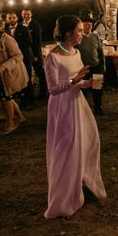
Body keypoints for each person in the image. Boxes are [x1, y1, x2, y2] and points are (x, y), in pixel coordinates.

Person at [44, 15, 107, 219]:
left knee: (89, 142)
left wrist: (85, 84)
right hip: (61, 108)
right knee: (67, 148)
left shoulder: (76, 52)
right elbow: (53, 89)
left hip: (77, 102)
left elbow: (75, 81)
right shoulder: (52, 57)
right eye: (80, 30)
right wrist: (74, 80)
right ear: (69, 32)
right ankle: (63, 198)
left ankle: (81, 183)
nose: (83, 33)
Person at [0, 20, 28, 135]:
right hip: (0, 74)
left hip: (8, 74)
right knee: (7, 97)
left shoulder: (7, 39)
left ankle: (10, 124)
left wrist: (4, 66)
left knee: (6, 98)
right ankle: (21, 117)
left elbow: (19, 56)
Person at [75, 15, 105, 116]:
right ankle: (83, 109)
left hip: (96, 66)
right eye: (86, 25)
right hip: (83, 68)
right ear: (82, 25)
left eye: (90, 25)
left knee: (97, 88)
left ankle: (98, 107)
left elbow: (100, 52)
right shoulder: (78, 38)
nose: (89, 27)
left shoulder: (95, 36)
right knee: (83, 90)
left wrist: (102, 66)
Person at [6, 11, 34, 108]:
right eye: (9, 18)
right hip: (12, 59)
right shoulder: (5, 31)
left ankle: (29, 100)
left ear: (17, 18)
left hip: (24, 57)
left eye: (13, 17)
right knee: (17, 78)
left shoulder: (24, 29)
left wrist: (17, 48)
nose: (12, 20)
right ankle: (20, 100)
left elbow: (29, 42)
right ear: (7, 19)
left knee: (27, 78)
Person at [22, 8, 47, 100]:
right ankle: (30, 96)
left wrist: (37, 55)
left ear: (31, 15)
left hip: (35, 54)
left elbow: (38, 41)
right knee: (27, 76)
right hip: (25, 54)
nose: (26, 16)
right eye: (24, 14)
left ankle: (43, 94)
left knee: (40, 74)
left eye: (28, 14)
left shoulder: (35, 25)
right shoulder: (20, 25)